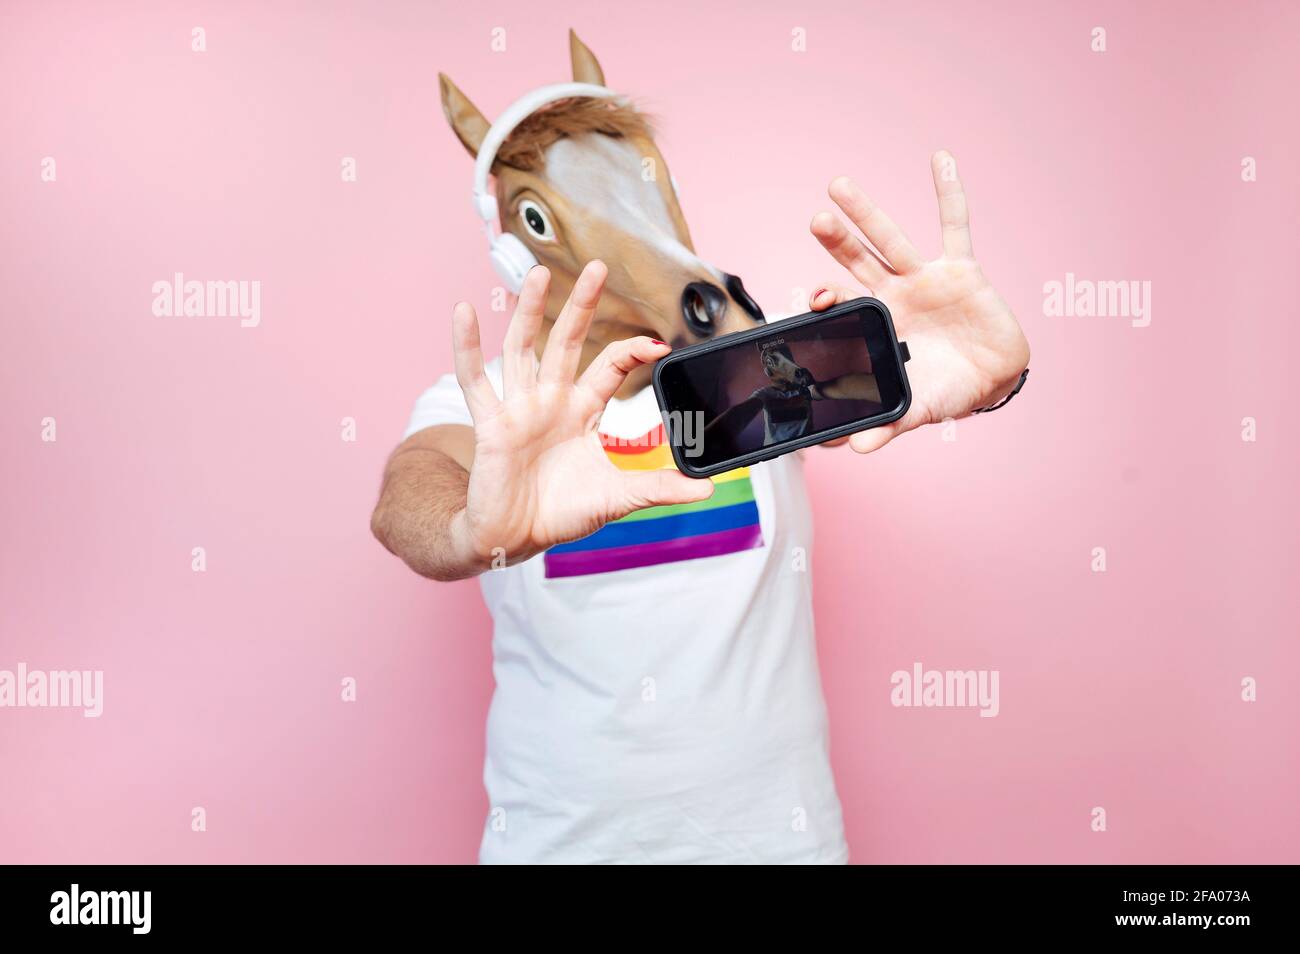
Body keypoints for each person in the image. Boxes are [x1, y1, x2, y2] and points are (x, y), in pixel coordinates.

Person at [370, 156, 1031, 863]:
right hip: (558, 847)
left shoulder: (750, 354)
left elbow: (886, 379)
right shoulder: (493, 404)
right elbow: (410, 489)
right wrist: (466, 529)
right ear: (513, 251)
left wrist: (982, 372)